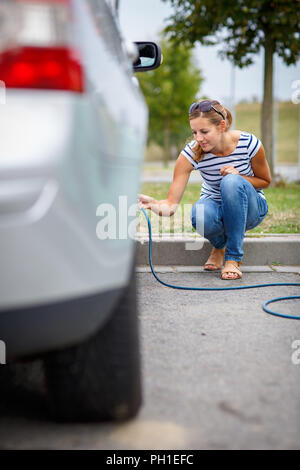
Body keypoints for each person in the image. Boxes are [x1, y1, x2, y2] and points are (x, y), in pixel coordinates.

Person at [139, 99, 271, 280]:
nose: (198, 138)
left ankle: (233, 258)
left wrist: (238, 177)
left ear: (221, 126)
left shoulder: (249, 143)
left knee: (230, 182)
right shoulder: (192, 153)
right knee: (199, 214)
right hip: (216, 209)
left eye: (204, 132)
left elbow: (265, 180)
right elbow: (170, 205)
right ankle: (220, 245)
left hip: (251, 208)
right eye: (194, 132)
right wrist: (153, 203)